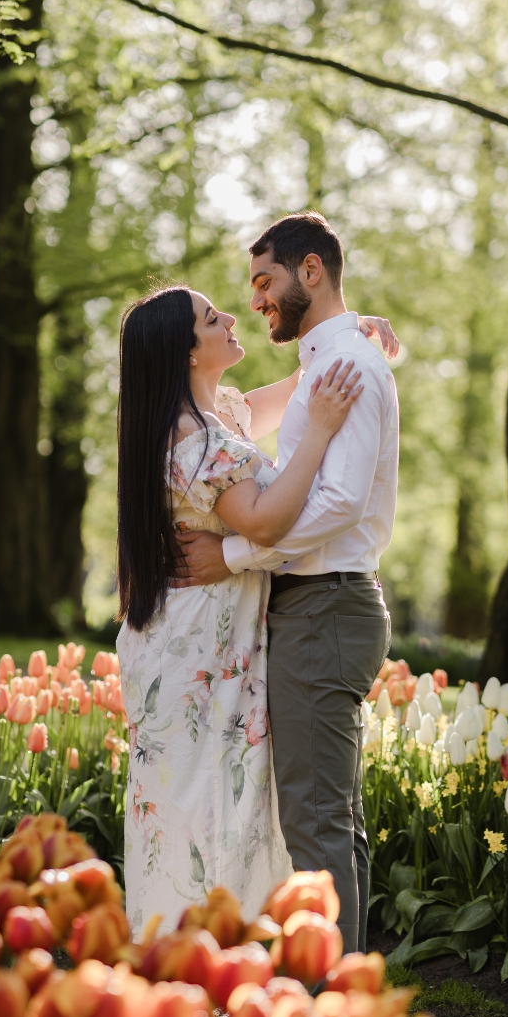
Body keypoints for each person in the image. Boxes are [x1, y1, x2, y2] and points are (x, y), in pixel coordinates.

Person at [115, 282, 393, 938]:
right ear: (187, 352)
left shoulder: (219, 416)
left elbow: (304, 381)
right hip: (200, 645)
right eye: (213, 318)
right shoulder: (195, 441)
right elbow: (264, 522)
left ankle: (189, 955)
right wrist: (320, 434)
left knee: (197, 800)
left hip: (195, 631)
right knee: (204, 804)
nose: (231, 317)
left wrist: (349, 331)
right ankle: (196, 960)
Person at [174, 211, 399, 967]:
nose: (256, 300)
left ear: (311, 270)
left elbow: (335, 503)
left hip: (327, 604)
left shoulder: (351, 367)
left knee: (316, 822)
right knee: (321, 818)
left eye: (265, 281)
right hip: (311, 606)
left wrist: (234, 553)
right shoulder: (331, 359)